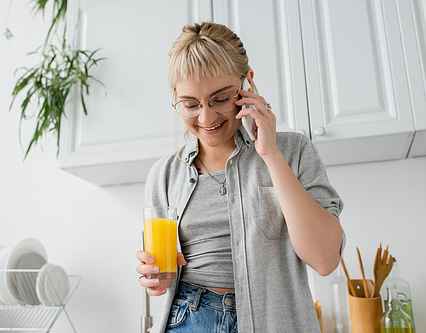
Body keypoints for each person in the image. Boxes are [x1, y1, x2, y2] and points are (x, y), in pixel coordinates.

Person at [136, 22, 344, 332]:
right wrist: (155, 276)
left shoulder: (293, 151)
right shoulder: (165, 175)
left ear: (246, 83)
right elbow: (161, 275)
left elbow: (325, 259)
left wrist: (270, 154)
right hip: (188, 319)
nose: (206, 118)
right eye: (190, 104)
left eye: (220, 99)